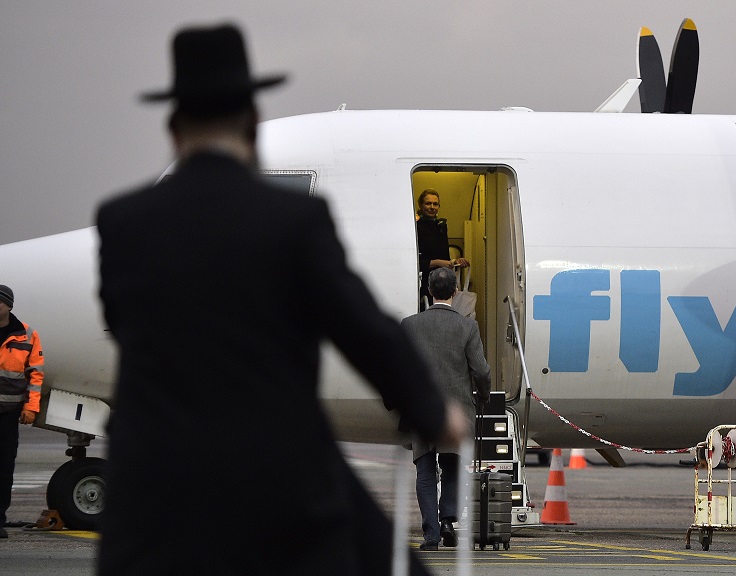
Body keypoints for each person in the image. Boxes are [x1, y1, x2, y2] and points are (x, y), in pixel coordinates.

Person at [94, 23, 467, 575]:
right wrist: (432, 413)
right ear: (252, 122)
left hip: (153, 479)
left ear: (173, 129)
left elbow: (122, 321)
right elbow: (363, 328)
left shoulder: (121, 223)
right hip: (276, 470)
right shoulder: (296, 220)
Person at [400, 267, 491, 550]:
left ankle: (431, 535)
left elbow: (399, 367)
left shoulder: (410, 324)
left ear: (429, 291)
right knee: (452, 467)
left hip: (421, 408)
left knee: (425, 471)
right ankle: (448, 521)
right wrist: (484, 396)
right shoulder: (467, 326)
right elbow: (481, 371)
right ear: (455, 292)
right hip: (457, 410)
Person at [0, 285, 43, 540]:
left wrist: (31, 407)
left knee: (4, 468)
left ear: (9, 305)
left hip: (8, 413)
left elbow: (35, 375)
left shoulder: (27, 335)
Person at [415, 189, 469, 310]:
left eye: (435, 204)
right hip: (424, 282)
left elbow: (443, 254)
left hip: (441, 282)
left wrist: (454, 262)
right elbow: (416, 262)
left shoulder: (441, 226)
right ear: (421, 205)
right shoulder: (416, 227)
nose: (432, 207)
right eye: (428, 203)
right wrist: (438, 263)